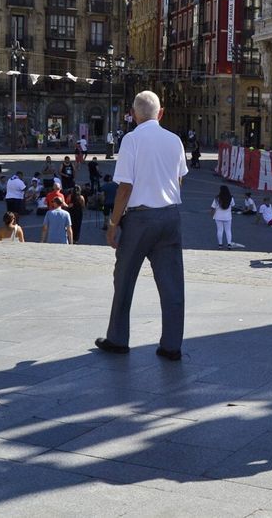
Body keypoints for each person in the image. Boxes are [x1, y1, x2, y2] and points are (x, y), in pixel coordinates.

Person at [98, 90, 188, 360]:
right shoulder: (175, 140)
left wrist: (114, 223)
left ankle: (118, 338)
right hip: (170, 217)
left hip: (139, 219)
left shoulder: (132, 139)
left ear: (133, 114)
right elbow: (180, 180)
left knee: (124, 279)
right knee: (172, 284)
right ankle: (171, 346)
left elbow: (125, 186)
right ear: (160, 113)